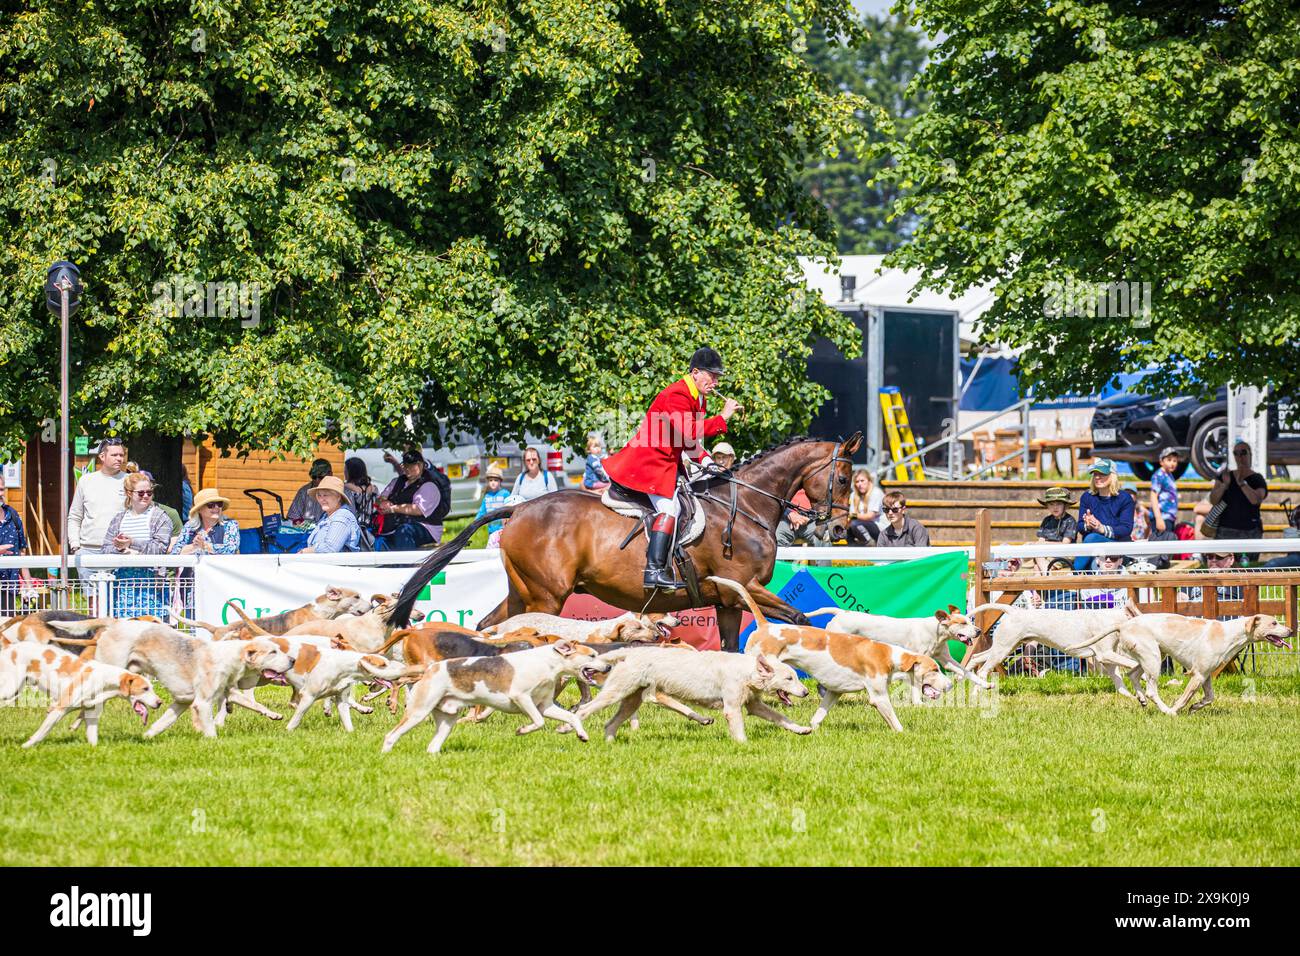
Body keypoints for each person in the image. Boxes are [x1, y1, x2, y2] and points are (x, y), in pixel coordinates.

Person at [602, 347, 742, 589]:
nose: (716, 382)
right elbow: (689, 432)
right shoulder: (676, 394)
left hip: (666, 462)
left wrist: (709, 462)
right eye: (712, 376)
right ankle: (654, 571)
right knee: (671, 507)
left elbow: (687, 442)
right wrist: (723, 417)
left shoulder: (699, 398)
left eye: (718, 377)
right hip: (648, 463)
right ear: (695, 372)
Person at [104, 471, 173, 619]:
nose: (146, 496)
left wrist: (132, 543)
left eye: (149, 492)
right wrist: (121, 549)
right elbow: (106, 549)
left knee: (153, 632)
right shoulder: (118, 519)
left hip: (152, 582)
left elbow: (160, 548)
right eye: (141, 493)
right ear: (129, 493)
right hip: (122, 582)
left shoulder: (161, 517)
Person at [67, 437, 129, 554]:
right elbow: (75, 516)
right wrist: (75, 545)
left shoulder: (129, 481)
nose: (119, 459)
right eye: (114, 455)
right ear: (102, 457)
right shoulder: (86, 481)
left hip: (119, 549)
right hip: (88, 549)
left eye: (121, 455)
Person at [374, 450, 446, 551]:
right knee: (372, 533)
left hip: (426, 528)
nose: (407, 469)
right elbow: (379, 499)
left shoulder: (429, 486)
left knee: (404, 531)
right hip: (396, 525)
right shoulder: (397, 481)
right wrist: (383, 502)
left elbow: (418, 509)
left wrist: (393, 509)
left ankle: (406, 565)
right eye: (405, 465)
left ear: (420, 466)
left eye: (411, 466)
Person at [1073, 459, 1134, 570]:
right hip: (1095, 552)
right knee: (1093, 556)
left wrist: (1101, 528)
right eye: (1095, 474)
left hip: (1118, 549)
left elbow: (1126, 528)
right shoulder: (1087, 497)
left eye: (1102, 474)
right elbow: (1080, 526)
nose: (1097, 477)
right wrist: (1088, 525)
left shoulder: (1125, 498)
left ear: (1113, 475)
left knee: (1092, 538)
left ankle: (1074, 574)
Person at [1208, 440, 1267, 539]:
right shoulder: (1225, 476)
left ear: (1250, 455)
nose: (1240, 457)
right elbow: (1213, 500)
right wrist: (1224, 486)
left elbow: (1255, 500)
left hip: (1249, 531)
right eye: (1236, 453)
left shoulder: (1257, 478)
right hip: (1225, 531)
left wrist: (1242, 484)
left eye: (1243, 452)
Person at [0, 470, 36, 613]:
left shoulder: (13, 515)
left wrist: (28, 585)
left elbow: (21, 552)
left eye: (1, 489)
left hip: (9, 587)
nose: (0, 494)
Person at [171, 488, 241, 556]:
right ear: (199, 509)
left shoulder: (230, 525)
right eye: (211, 505)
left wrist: (205, 546)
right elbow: (174, 552)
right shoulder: (189, 526)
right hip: (193, 567)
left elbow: (231, 549)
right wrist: (194, 546)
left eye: (219, 504)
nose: (216, 507)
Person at [301, 476, 361, 553]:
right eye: (319, 495)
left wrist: (305, 551)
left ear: (338, 497)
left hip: (338, 565)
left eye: (325, 495)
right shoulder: (326, 516)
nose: (322, 499)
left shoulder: (342, 516)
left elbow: (330, 548)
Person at [345, 456, 379, 550]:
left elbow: (349, 510)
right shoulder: (374, 489)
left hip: (354, 530)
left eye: (346, 470)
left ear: (350, 472)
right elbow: (377, 507)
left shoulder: (346, 488)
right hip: (371, 530)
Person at [287, 458, 334, 524]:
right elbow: (292, 517)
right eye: (314, 477)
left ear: (330, 474)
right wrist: (301, 524)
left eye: (321, 477)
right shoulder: (304, 491)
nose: (317, 480)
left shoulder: (340, 492)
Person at [1148, 447, 1182, 538]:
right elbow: (1153, 496)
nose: (1172, 463)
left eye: (1175, 461)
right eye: (1169, 460)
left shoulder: (1169, 475)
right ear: (1161, 462)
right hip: (1162, 517)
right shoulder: (1159, 475)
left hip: (1168, 517)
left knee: (1168, 544)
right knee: (1162, 545)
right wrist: (1158, 518)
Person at [476, 464, 512, 547]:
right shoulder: (487, 496)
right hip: (491, 530)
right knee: (492, 548)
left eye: (495, 480)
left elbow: (510, 509)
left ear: (500, 481)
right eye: (491, 480)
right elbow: (482, 510)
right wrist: (476, 521)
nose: (493, 482)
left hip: (503, 529)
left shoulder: (505, 494)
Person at [845, 469, 883, 544]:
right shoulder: (853, 495)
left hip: (879, 528)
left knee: (854, 524)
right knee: (847, 527)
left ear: (869, 481)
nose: (859, 484)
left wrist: (851, 515)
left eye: (862, 481)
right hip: (861, 526)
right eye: (857, 481)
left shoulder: (876, 493)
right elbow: (852, 516)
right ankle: (852, 549)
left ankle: (870, 543)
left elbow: (870, 516)